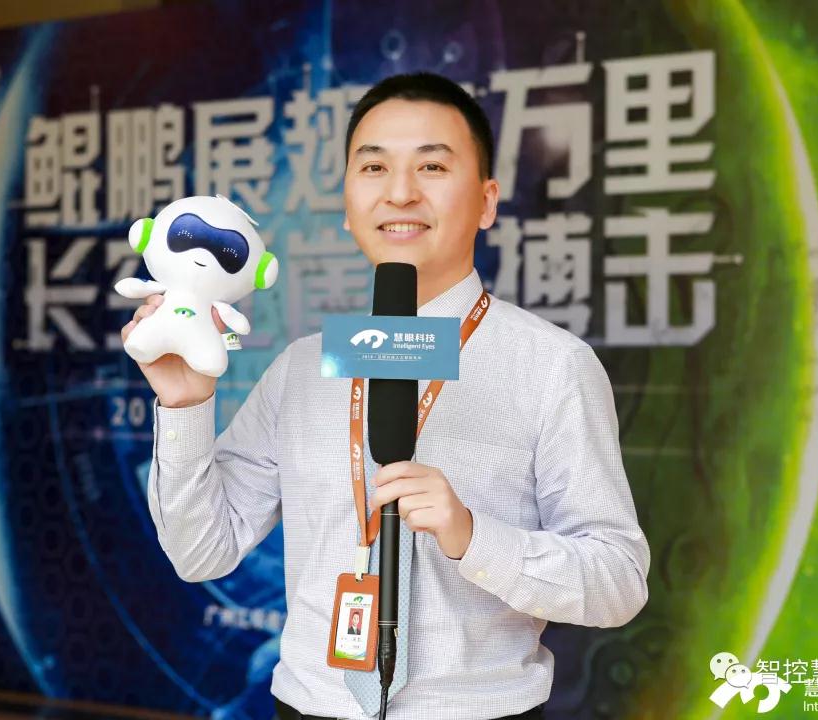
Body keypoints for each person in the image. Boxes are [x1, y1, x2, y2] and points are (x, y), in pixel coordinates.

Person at [122, 72, 650, 720]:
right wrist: (184, 408)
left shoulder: (551, 365)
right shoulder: (302, 368)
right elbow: (201, 551)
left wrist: (473, 536)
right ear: (348, 205)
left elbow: (618, 581)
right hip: (309, 707)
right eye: (374, 167)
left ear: (487, 201)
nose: (400, 192)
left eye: (432, 165)